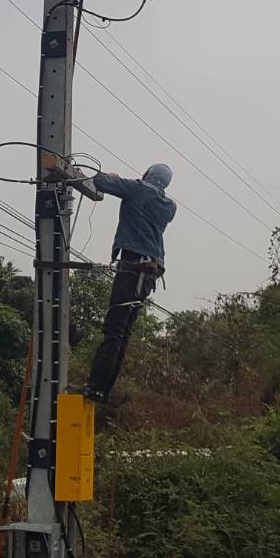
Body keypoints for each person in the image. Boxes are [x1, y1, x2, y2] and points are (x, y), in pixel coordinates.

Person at [82, 164, 176, 405]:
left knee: (114, 329)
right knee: (123, 332)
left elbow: (100, 181)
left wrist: (112, 177)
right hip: (149, 272)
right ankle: (103, 390)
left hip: (132, 267)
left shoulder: (137, 189)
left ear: (148, 175)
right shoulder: (169, 206)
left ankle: (95, 387)